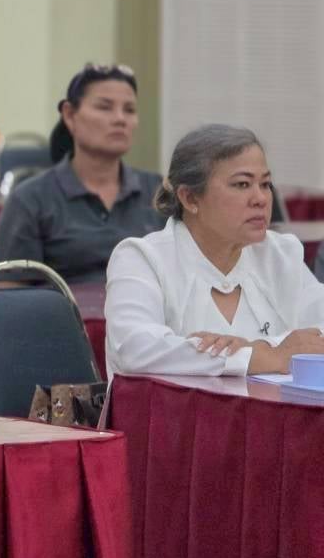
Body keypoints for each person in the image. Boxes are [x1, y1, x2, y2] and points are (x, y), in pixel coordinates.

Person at [105, 124, 324, 377]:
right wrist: (264, 356)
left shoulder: (280, 254)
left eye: (265, 184)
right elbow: (134, 348)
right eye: (242, 184)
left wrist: (263, 348)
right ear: (190, 198)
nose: (261, 199)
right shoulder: (141, 258)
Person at [0, 63, 164, 284]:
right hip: (63, 307)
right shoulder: (30, 200)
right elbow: (9, 292)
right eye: (104, 107)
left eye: (129, 110)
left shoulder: (159, 193)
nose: (120, 119)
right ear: (70, 115)